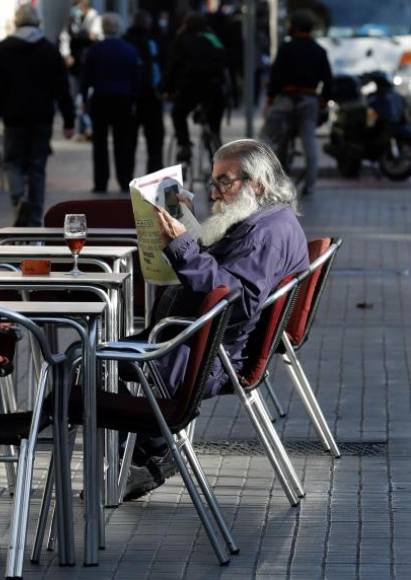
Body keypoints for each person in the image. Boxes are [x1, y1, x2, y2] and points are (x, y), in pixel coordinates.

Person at [121, 139, 309, 498]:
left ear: (258, 184)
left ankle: (145, 456)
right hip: (200, 341)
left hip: (209, 354)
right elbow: (229, 273)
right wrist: (189, 227)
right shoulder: (264, 220)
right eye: (213, 181)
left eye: (225, 181)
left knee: (99, 361)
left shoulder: (264, 235)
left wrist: (182, 247)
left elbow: (234, 301)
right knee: (109, 355)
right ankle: (143, 454)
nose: (215, 192)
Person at [0, 4, 75, 226]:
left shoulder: (3, 48)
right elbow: (62, 87)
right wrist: (69, 120)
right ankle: (34, 214)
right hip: (41, 117)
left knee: (13, 162)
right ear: (37, 22)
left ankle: (18, 199)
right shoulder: (48, 49)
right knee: (37, 166)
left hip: (13, 116)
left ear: (16, 22)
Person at [261, 10, 332, 196]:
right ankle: (310, 185)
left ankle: (259, 178)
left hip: (286, 99)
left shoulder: (286, 48)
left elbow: (275, 77)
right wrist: (323, 102)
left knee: (266, 137)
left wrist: (269, 101)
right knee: (309, 143)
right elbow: (328, 81)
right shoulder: (319, 50)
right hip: (308, 101)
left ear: (294, 27)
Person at [80, 13, 140, 192]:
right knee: (122, 142)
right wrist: (134, 99)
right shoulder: (129, 49)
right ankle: (124, 180)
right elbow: (135, 77)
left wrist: (84, 98)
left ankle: (100, 182)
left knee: (100, 143)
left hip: (100, 99)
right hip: (122, 100)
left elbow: (86, 78)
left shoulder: (94, 49)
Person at [165, 12, 229, 163]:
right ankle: (215, 152)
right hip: (214, 89)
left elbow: (172, 66)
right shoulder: (214, 39)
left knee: (178, 113)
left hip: (190, 88)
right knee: (213, 126)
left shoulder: (181, 39)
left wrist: (167, 89)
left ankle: (184, 145)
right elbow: (225, 61)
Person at [124, 10, 165, 175]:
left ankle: (126, 176)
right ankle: (153, 176)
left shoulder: (126, 40)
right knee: (155, 141)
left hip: (130, 98)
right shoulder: (153, 40)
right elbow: (158, 67)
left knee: (128, 141)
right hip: (151, 96)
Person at [59, 0, 101, 140]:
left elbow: (95, 37)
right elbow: (65, 37)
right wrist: (66, 55)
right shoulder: (72, 20)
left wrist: (82, 36)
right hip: (75, 65)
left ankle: (89, 128)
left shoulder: (95, 18)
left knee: (88, 97)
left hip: (90, 65)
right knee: (75, 97)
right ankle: (80, 129)